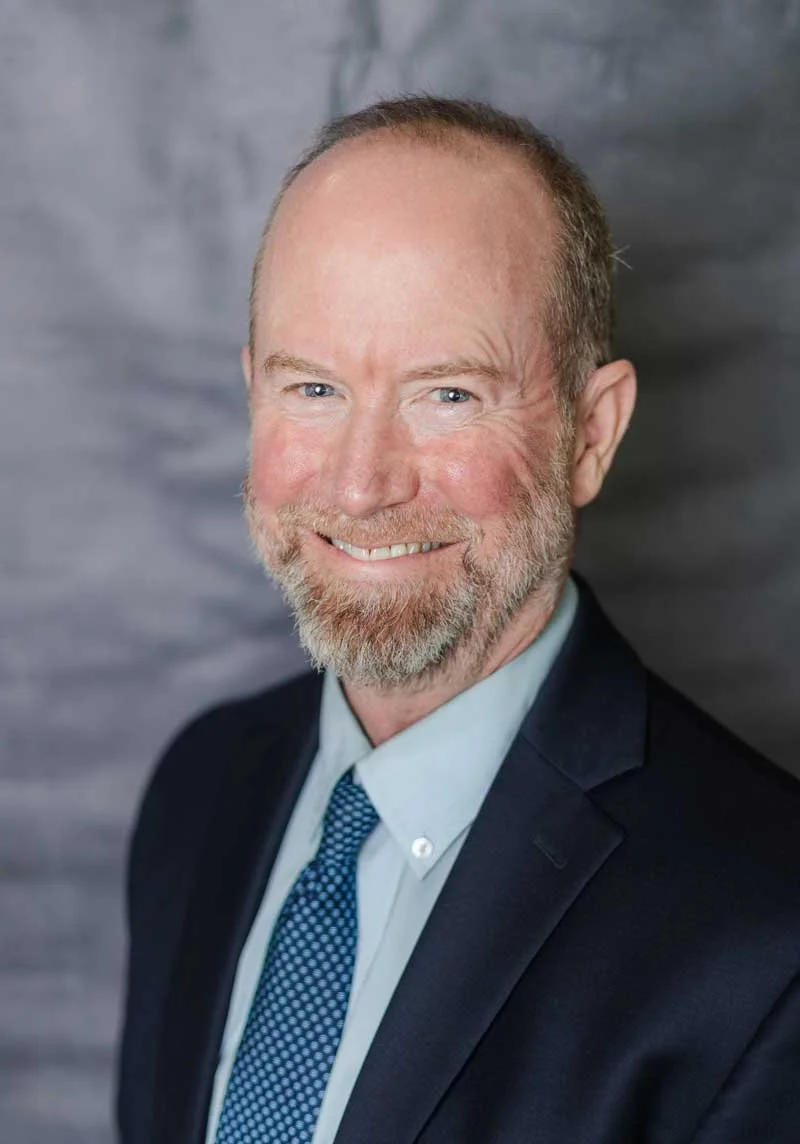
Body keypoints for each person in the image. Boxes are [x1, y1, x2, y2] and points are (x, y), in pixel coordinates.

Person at [117, 96, 800, 1144]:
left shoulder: (766, 934)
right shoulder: (202, 788)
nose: (360, 486)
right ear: (251, 390)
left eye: (447, 395)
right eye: (313, 388)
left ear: (590, 433)